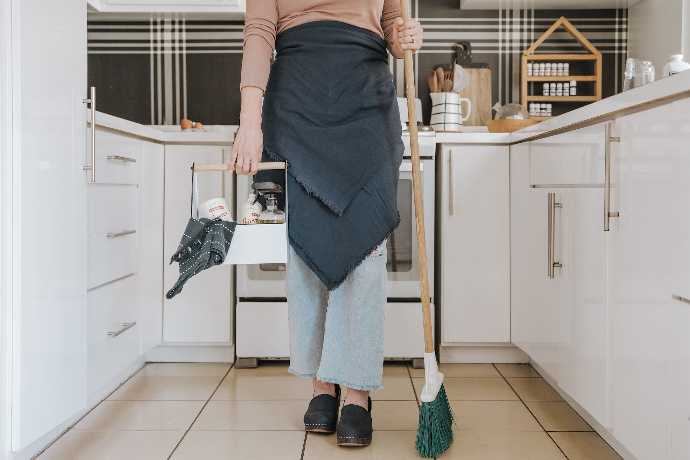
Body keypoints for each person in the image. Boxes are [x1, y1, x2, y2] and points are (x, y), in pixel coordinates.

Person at [232, 1, 423, 448]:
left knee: (365, 245)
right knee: (307, 245)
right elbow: (260, 31)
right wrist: (249, 123)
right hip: (296, 99)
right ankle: (323, 381)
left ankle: (356, 388)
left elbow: (392, 22)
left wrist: (402, 38)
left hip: (365, 98)